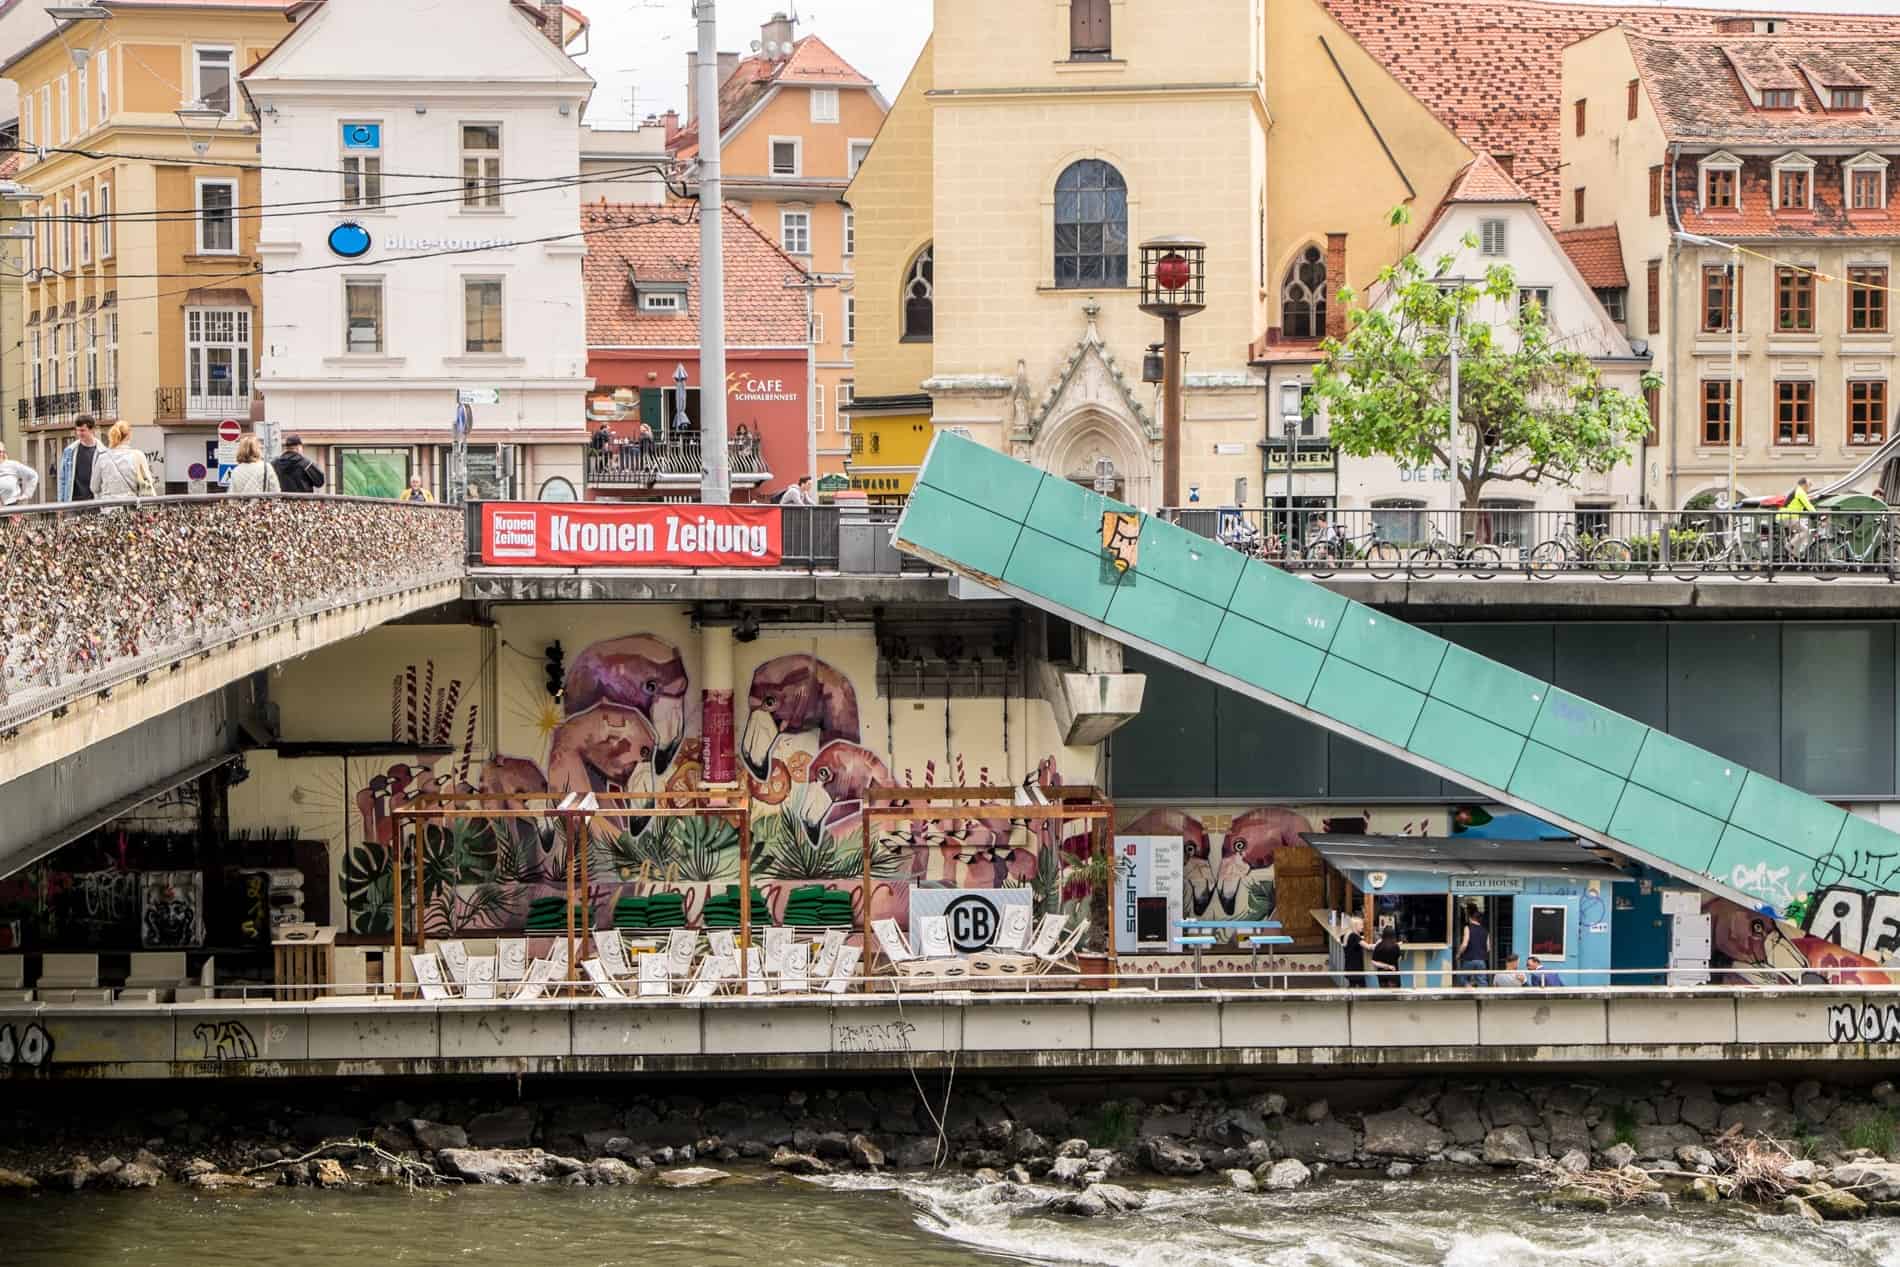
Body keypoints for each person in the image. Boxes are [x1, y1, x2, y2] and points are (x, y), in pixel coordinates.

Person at [90, 420, 155, 499]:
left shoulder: (102, 458)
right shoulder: (137, 456)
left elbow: (94, 488)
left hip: (109, 507)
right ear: (128, 436)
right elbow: (148, 482)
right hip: (131, 506)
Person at [56, 415, 101, 501]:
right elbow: (62, 479)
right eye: (77, 430)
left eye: (82, 430)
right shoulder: (69, 451)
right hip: (73, 502)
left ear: (92, 430)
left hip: (94, 502)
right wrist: (60, 503)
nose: (79, 433)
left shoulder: (102, 452)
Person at [1456, 905, 1490, 986]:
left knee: (1463, 978)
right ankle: (1482, 997)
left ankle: (1468, 987)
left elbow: (1464, 944)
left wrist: (1458, 954)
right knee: (1482, 981)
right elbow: (1488, 948)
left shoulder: (1467, 928)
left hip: (1469, 959)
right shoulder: (1485, 930)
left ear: (1470, 918)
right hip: (1481, 960)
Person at [1342, 918, 1367, 988]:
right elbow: (1368, 947)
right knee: (1362, 986)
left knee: (1352, 985)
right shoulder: (1354, 937)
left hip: (1350, 965)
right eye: (1361, 925)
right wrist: (1379, 943)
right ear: (1355, 926)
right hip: (1356, 967)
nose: (1363, 926)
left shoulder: (1347, 935)